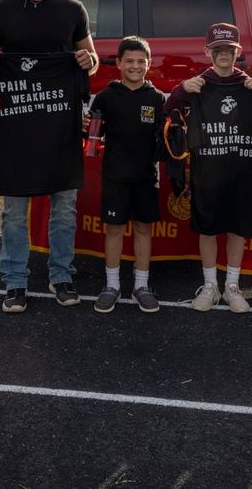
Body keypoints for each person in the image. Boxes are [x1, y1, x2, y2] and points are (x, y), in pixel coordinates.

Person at [0, 0, 99, 313]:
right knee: (14, 210)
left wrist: (87, 62)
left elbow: (91, 58)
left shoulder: (73, 10)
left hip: (60, 126)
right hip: (16, 127)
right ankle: (15, 281)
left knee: (64, 207)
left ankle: (61, 275)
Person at [164, 22, 252, 314]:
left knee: (237, 227)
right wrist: (181, 89)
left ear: (238, 51)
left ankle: (232, 285)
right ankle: (210, 285)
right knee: (207, 227)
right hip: (206, 169)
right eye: (217, 49)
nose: (224, 54)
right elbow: (168, 109)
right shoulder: (198, 84)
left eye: (229, 49)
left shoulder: (248, 84)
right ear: (207, 52)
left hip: (240, 168)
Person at [86, 36, 166, 314]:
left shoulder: (156, 98)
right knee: (115, 229)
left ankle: (141, 286)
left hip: (146, 177)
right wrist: (88, 127)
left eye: (141, 61)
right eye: (129, 61)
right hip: (115, 177)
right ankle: (112, 286)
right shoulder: (106, 96)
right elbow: (93, 137)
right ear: (118, 63)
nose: (135, 66)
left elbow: (165, 138)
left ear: (149, 64)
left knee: (143, 228)